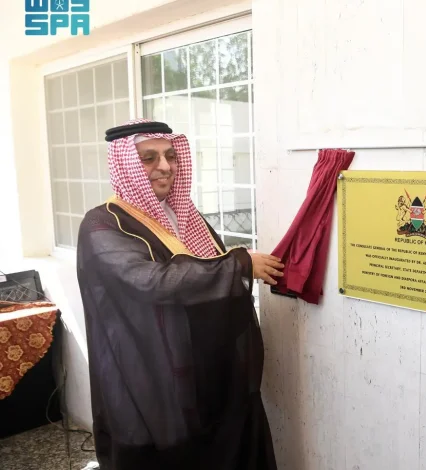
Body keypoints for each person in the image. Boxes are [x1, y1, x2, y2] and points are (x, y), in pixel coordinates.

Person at [76, 119, 283, 470]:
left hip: (204, 367)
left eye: (171, 156)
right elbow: (152, 281)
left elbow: (208, 266)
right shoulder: (102, 225)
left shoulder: (185, 215)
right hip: (148, 372)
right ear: (125, 165)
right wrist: (239, 266)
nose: (165, 166)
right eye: (149, 158)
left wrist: (235, 265)